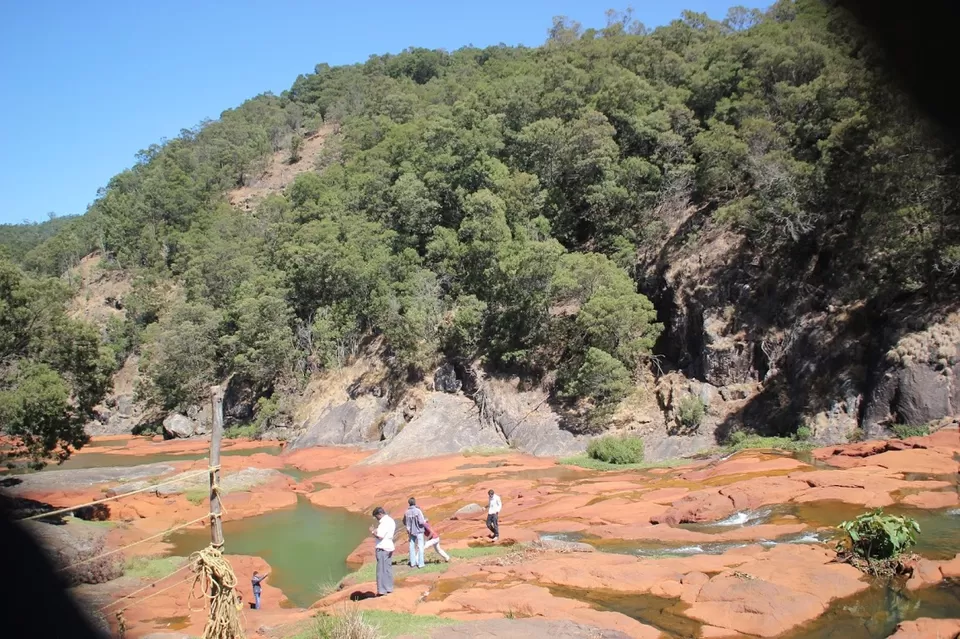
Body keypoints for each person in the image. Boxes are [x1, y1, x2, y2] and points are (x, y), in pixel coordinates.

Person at [371, 505, 395, 596]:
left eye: (376, 516)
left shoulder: (384, 522)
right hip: (389, 547)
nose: (376, 518)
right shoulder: (391, 520)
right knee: (387, 569)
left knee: (381, 570)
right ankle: (389, 588)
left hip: (382, 548)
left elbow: (380, 536)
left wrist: (373, 531)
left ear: (380, 514)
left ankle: (382, 591)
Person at [403, 496, 426, 569]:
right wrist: (426, 521)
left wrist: (408, 526)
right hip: (419, 531)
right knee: (420, 547)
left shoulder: (406, 512)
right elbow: (421, 521)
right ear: (415, 502)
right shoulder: (418, 511)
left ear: (409, 503)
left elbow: (404, 521)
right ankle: (421, 563)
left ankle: (412, 563)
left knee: (411, 547)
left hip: (410, 532)